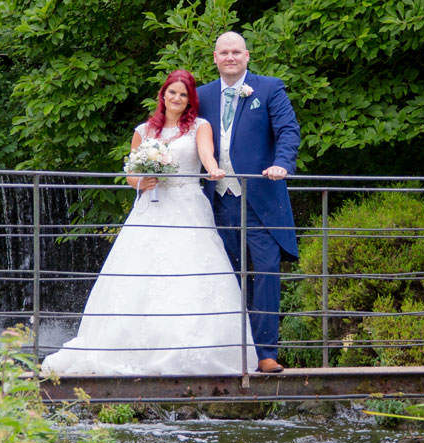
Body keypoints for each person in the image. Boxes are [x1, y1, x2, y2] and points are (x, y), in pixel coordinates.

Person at [41, 70, 259, 376]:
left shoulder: (200, 126)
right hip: (151, 208)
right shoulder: (144, 131)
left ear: (189, 100)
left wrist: (214, 170)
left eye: (183, 95)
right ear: (163, 95)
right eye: (172, 93)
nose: (177, 99)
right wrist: (141, 181)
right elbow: (131, 174)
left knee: (191, 272)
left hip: (187, 207)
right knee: (140, 272)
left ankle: (198, 348)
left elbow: (208, 156)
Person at [197, 31, 300, 373]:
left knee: (266, 270)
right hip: (217, 200)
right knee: (225, 275)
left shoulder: (269, 88)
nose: (230, 57)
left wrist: (282, 163)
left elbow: (288, 130)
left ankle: (266, 352)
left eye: (236, 52)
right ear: (215, 58)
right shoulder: (202, 96)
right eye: (224, 52)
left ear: (247, 56)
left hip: (259, 196)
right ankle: (231, 351)